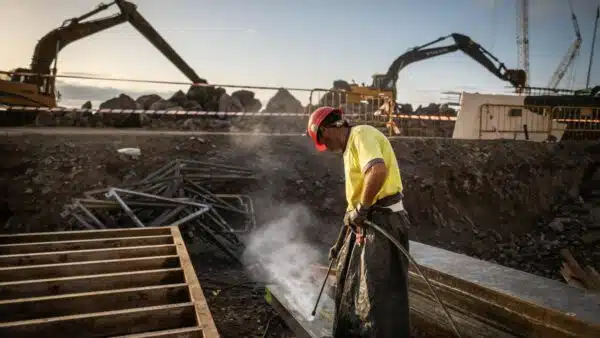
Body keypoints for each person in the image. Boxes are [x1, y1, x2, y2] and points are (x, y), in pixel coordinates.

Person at [306, 106, 412, 338]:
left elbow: (376, 171)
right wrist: (341, 241)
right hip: (372, 223)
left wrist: (362, 209)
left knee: (376, 300)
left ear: (326, 129)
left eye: (323, 140)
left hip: (385, 224)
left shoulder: (361, 135)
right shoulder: (349, 148)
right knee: (348, 283)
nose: (326, 148)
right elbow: (353, 207)